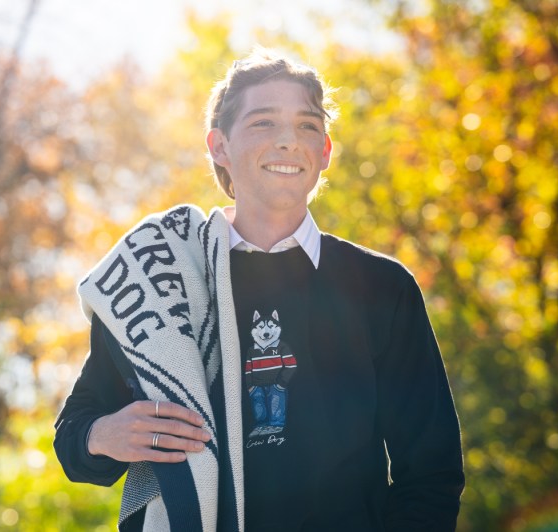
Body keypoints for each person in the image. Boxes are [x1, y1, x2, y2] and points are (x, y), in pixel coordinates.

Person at [54, 48, 465, 531]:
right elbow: (74, 438)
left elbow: (432, 472)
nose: (289, 141)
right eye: (263, 123)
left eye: (308, 125)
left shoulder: (381, 286)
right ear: (219, 147)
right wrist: (105, 435)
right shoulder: (165, 283)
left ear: (326, 151)